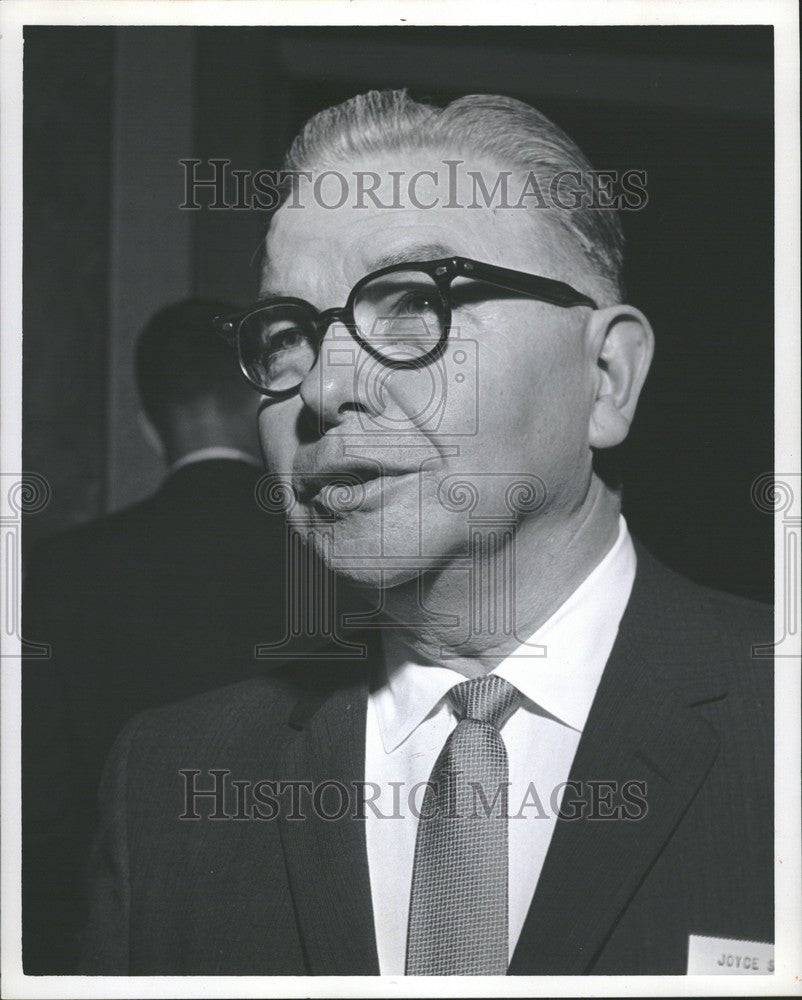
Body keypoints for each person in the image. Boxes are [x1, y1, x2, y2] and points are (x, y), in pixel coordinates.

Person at [80, 92, 773, 976]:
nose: (325, 390)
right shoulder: (168, 786)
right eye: (288, 334)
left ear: (605, 380)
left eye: (410, 304)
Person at [22, 299, 289, 973]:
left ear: (146, 426)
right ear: (263, 399)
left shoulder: (55, 573)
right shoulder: (336, 561)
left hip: (123, 939)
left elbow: (39, 806)